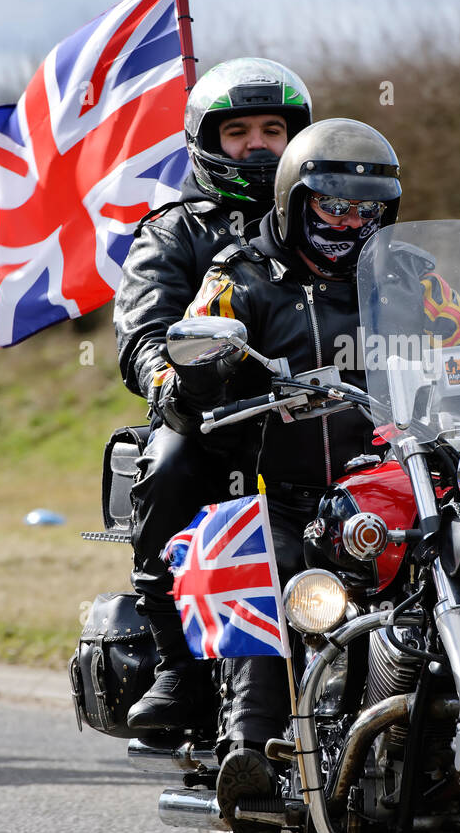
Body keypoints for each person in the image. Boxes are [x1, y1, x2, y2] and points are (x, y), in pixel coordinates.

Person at [139, 117, 460, 816]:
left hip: (395, 473)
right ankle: (249, 753)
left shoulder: (407, 274)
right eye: (335, 206)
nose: (352, 221)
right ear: (294, 201)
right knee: (272, 570)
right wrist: (195, 379)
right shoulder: (244, 275)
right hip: (286, 485)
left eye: (369, 211)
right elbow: (185, 354)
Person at [114, 58, 312, 731]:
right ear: (208, 141)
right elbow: (142, 334)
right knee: (167, 465)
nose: (258, 144)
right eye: (239, 132)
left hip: (328, 411)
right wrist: (173, 382)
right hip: (215, 417)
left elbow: (415, 303)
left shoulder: (338, 221)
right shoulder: (177, 231)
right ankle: (179, 665)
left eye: (272, 129)